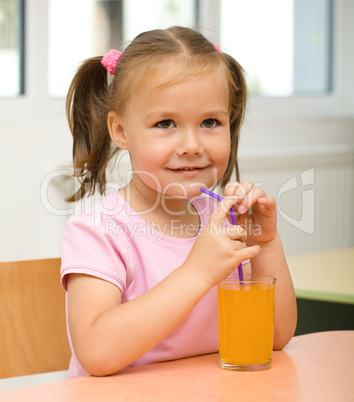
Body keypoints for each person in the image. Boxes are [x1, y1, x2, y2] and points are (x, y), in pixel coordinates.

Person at [61, 26, 297, 378]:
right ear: (121, 131)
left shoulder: (226, 220)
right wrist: (198, 272)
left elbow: (276, 337)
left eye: (210, 122)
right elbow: (96, 353)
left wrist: (266, 244)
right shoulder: (98, 231)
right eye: (166, 122)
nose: (192, 145)